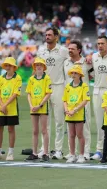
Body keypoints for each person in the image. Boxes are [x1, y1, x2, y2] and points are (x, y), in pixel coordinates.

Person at [37, 27, 69, 159]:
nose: (47, 37)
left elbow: (72, 61)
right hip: (44, 87)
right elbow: (37, 68)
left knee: (59, 120)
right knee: (45, 121)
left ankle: (58, 150)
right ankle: (44, 149)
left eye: (50, 35)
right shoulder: (41, 50)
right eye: (46, 35)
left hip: (58, 86)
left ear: (56, 37)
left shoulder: (63, 51)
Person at [63, 40, 93, 160]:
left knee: (84, 128)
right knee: (70, 130)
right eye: (68, 48)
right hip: (69, 99)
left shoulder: (86, 62)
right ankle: (72, 153)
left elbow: (94, 74)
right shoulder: (65, 62)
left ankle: (85, 152)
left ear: (79, 50)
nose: (70, 50)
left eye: (72, 49)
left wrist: (91, 56)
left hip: (82, 99)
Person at [0, 57, 22, 161]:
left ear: (14, 67)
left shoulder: (17, 78)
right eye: (6, 65)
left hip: (12, 108)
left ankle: (10, 153)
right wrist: (2, 105)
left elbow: (15, 94)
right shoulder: (1, 78)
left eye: (10, 65)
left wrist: (5, 105)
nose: (8, 67)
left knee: (10, 129)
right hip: (1, 108)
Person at [25, 58, 52, 162]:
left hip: (42, 107)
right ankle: (34, 153)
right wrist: (31, 105)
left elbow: (48, 93)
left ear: (44, 66)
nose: (39, 66)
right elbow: (28, 94)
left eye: (40, 64)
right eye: (37, 65)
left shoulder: (47, 78)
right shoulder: (31, 79)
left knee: (44, 130)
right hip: (33, 108)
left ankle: (45, 153)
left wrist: (40, 105)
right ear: (34, 67)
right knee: (35, 131)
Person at [62, 65, 90, 163]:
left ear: (80, 75)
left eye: (75, 73)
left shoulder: (84, 86)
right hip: (69, 114)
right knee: (71, 134)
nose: (73, 75)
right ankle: (72, 154)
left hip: (78, 114)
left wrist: (75, 110)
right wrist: (66, 110)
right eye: (72, 73)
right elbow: (64, 100)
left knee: (79, 134)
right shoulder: (68, 86)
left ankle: (81, 155)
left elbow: (85, 100)